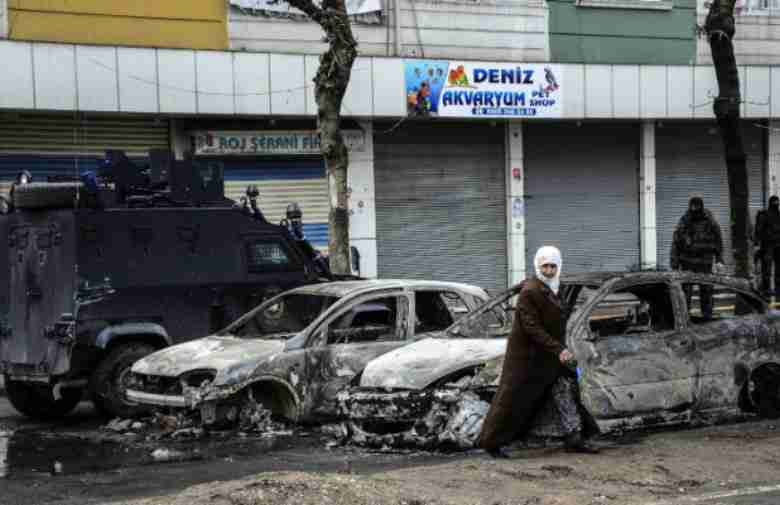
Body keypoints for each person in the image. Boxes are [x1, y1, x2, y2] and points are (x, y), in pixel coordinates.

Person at [477, 246, 599, 458]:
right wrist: (559, 349)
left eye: (553, 266)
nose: (550, 270)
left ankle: (575, 437)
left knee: (566, 393)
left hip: (550, 355)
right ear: (537, 266)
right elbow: (531, 327)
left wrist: (558, 349)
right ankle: (491, 442)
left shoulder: (553, 287)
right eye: (545, 266)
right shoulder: (531, 291)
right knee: (512, 400)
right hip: (529, 358)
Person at [670, 196, 724, 320]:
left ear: (701, 206)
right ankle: (685, 320)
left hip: (705, 263)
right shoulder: (685, 220)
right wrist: (674, 264)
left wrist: (720, 260)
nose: (694, 209)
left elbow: (718, 240)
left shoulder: (709, 220)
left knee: (706, 293)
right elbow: (676, 242)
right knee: (685, 294)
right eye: (693, 206)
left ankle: (707, 319)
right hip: (688, 263)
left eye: (697, 206)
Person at [755, 195, 780, 296]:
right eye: (775, 202)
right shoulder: (764, 215)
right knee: (767, 269)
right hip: (768, 245)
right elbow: (759, 230)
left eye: (777, 202)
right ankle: (767, 289)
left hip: (776, 245)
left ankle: (776, 289)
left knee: (777, 269)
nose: (776, 204)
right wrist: (757, 244)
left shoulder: (778, 215)